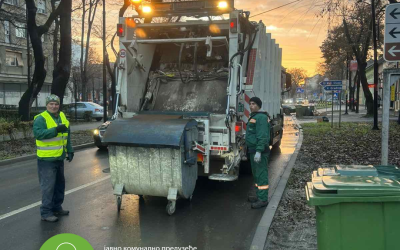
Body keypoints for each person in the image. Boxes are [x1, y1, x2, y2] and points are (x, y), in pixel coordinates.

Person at [33, 94, 74, 222]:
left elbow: (67, 135)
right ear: (46, 105)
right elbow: (38, 134)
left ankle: (57, 207)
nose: (54, 106)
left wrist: (70, 150)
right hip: (46, 160)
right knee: (48, 187)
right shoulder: (41, 118)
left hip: (59, 157)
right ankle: (46, 213)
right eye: (51, 104)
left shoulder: (62, 116)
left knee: (59, 185)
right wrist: (56, 130)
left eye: (56, 104)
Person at [245, 97, 270, 209]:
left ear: (259, 105)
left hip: (259, 151)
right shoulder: (254, 116)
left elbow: (262, 136)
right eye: (250, 104)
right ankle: (259, 196)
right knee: (256, 175)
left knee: (261, 174)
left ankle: (263, 199)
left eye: (254, 104)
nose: (251, 106)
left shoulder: (261, 117)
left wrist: (259, 151)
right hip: (253, 150)